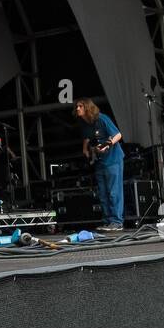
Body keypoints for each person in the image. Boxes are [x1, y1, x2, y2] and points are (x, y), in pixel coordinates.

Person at [74, 98, 124, 231]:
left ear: (87, 108)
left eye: (80, 106)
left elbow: (118, 135)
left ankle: (116, 222)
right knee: (102, 193)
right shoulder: (85, 122)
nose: (77, 108)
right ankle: (108, 221)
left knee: (114, 192)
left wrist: (107, 145)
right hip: (100, 162)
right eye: (77, 106)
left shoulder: (102, 118)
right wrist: (85, 148)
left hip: (113, 160)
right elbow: (87, 136)